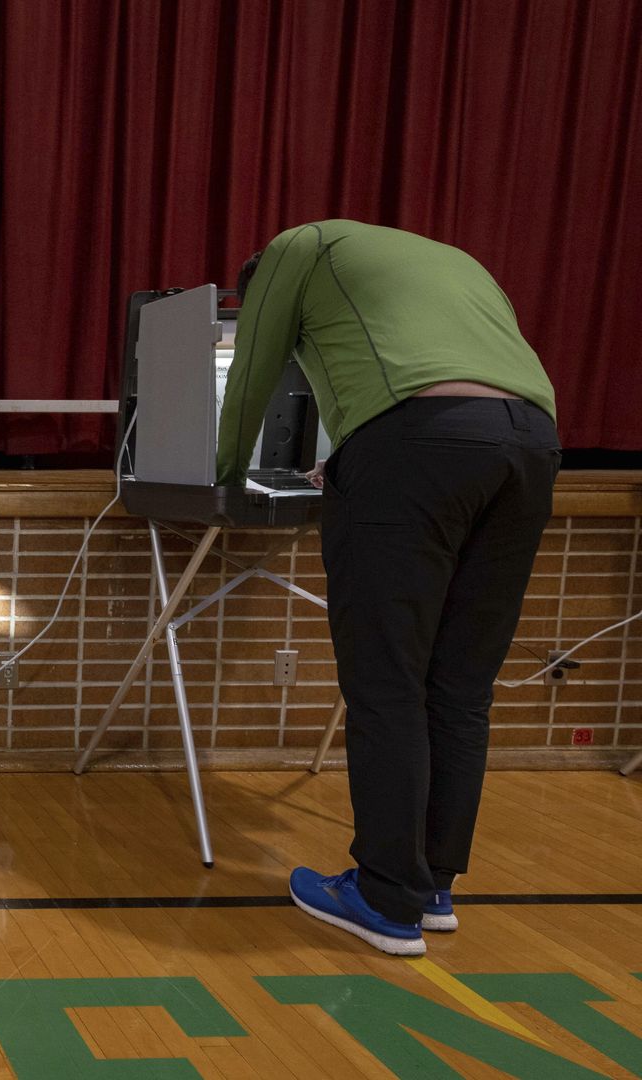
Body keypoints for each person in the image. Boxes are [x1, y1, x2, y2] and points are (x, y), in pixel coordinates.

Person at [218, 219, 559, 955]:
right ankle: (433, 886)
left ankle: (383, 897)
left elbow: (249, 375)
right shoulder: (452, 256)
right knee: (461, 685)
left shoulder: (293, 249)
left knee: (387, 679)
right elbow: (442, 379)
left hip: (415, 446)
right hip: (530, 445)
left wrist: (221, 476)